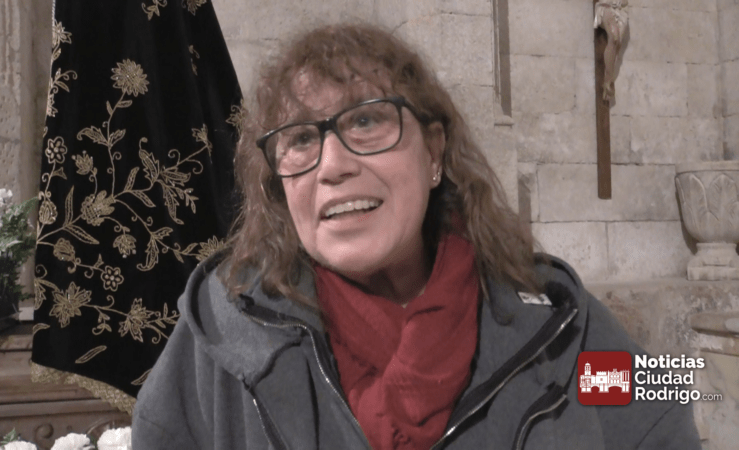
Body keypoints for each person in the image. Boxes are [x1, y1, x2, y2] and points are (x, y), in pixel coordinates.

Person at [132, 23, 701, 450]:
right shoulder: (222, 335)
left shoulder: (558, 323)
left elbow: (666, 407)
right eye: (301, 139)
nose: (333, 165)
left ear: (433, 153)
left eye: (365, 121)